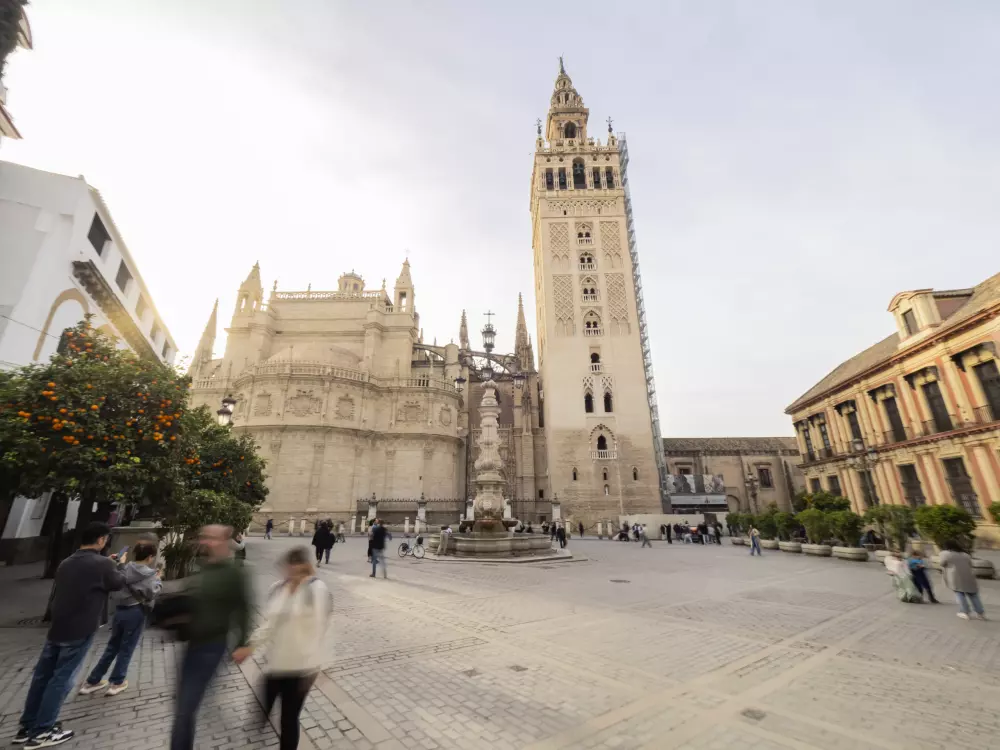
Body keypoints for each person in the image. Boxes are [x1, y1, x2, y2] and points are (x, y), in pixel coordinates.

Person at [16, 522, 126, 748]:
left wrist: (109, 564)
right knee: (61, 680)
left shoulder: (66, 562)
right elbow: (117, 583)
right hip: (80, 628)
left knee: (42, 677)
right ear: (101, 540)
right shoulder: (103, 564)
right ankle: (43, 731)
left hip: (58, 628)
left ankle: (27, 726)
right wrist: (120, 565)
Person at [234, 547, 331, 750]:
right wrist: (250, 646)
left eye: (295, 567)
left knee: (288, 717)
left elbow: (322, 629)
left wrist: (319, 665)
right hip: (276, 664)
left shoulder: (316, 590)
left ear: (304, 567)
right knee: (264, 699)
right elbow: (270, 624)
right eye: (287, 567)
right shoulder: (279, 589)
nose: (289, 572)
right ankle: (260, 723)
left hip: (301, 670)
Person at [170, 525, 252, 750]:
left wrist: (243, 643)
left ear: (225, 540)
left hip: (212, 646)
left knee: (185, 708)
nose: (206, 542)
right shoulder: (200, 566)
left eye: (212, 538)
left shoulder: (234, 573)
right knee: (182, 706)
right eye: (204, 537)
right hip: (190, 644)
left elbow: (243, 608)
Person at [79, 537, 161, 697]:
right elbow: (151, 593)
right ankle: (117, 682)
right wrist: (159, 581)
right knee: (127, 648)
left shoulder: (122, 568)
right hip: (136, 611)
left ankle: (92, 681)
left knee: (112, 647)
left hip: (120, 611)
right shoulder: (149, 574)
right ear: (150, 557)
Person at [939, 540, 986, 620]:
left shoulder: (947, 554)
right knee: (973, 594)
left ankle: (965, 612)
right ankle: (980, 613)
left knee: (960, 593)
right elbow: (970, 564)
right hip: (968, 576)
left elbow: (942, 563)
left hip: (956, 577)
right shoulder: (966, 555)